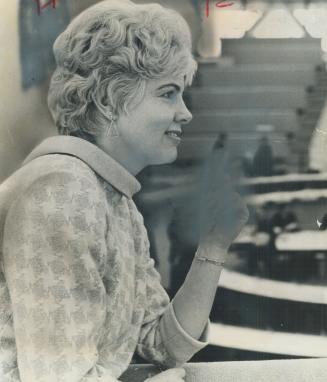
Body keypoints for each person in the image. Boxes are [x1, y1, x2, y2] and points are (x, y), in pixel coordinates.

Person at [0, 1, 248, 381]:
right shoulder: (61, 192)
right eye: (167, 93)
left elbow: (163, 346)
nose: (186, 112)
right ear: (108, 100)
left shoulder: (112, 197)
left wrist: (213, 247)